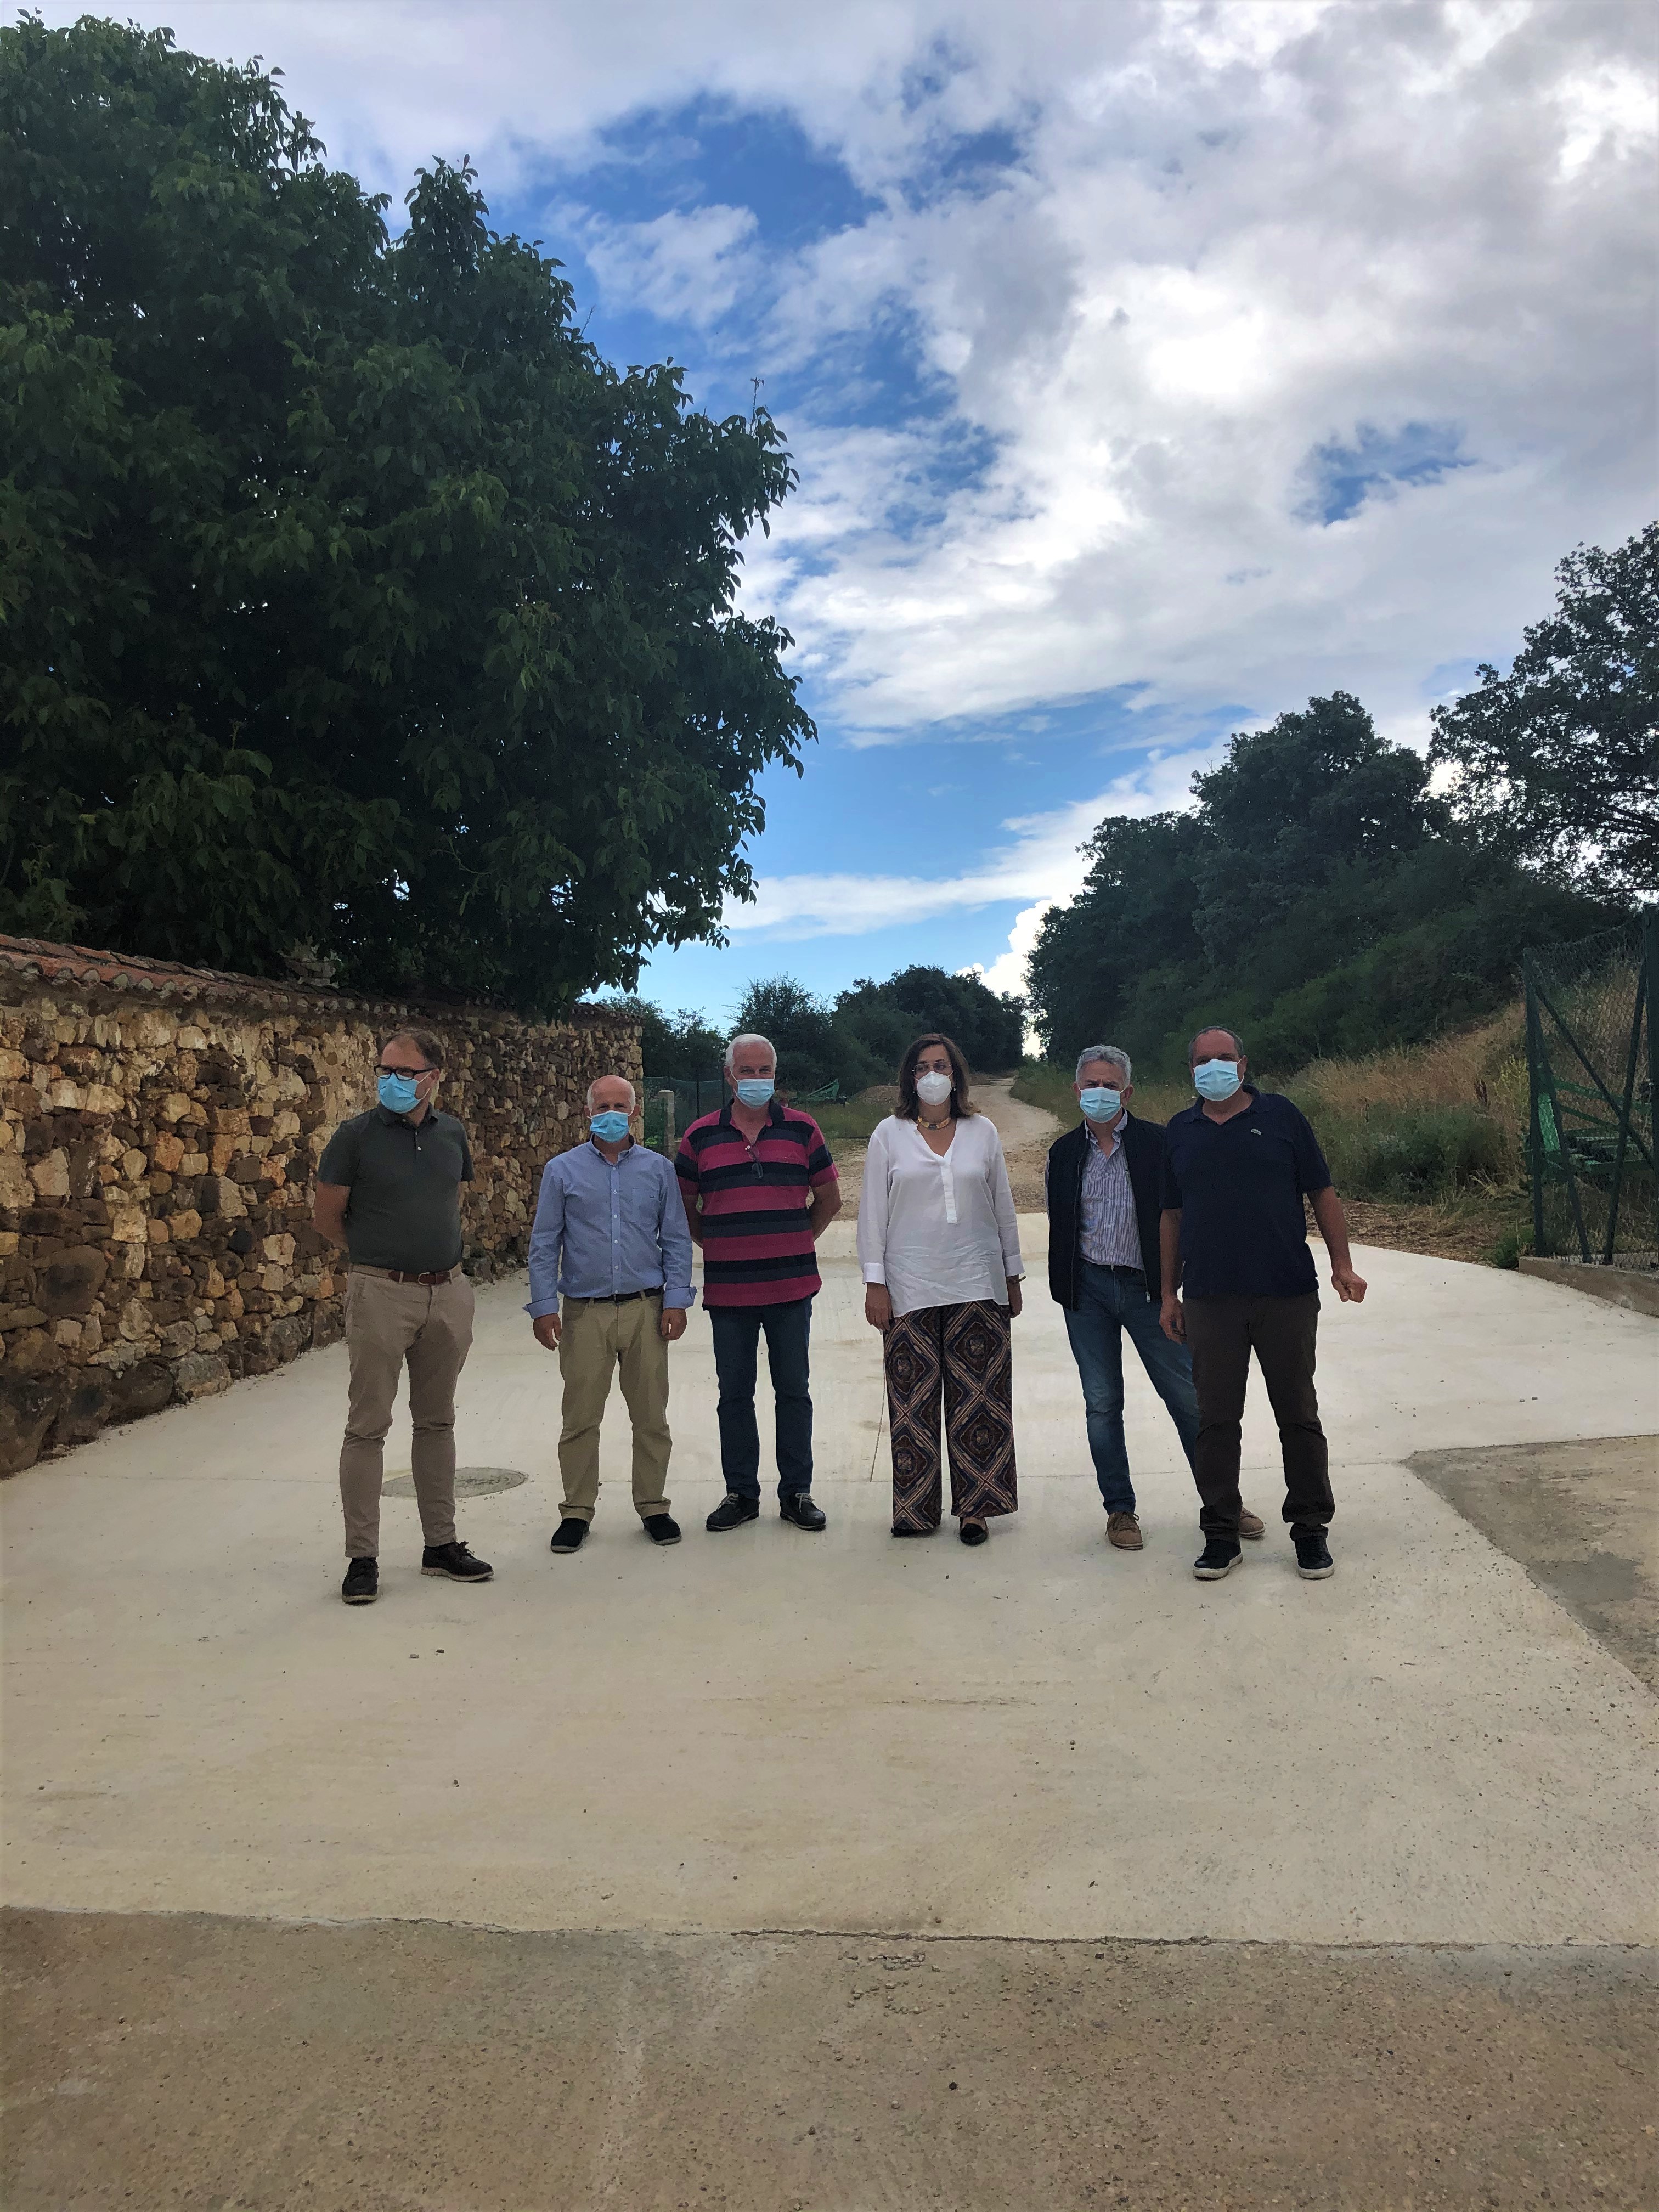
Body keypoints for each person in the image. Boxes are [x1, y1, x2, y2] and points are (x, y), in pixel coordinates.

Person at [1159, 1025, 1368, 1584]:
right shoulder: (1180, 1131)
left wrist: (1342, 1264)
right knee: (1216, 1421)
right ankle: (1220, 1534)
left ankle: (1310, 1530)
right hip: (1210, 1299)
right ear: (1191, 1070)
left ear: (1244, 1064)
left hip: (1286, 1292)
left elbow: (1321, 1191)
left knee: (1297, 1415)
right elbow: (1171, 1216)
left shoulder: (1283, 1117)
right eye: (1203, 1060)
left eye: (1224, 1057)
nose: (1215, 1067)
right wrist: (1168, 1294)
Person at [1046, 1045, 1264, 1552]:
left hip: (1147, 1291)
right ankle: (1119, 1510)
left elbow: (1180, 1216)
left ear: (1127, 1093)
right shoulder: (1064, 1152)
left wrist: (1174, 1290)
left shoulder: (1158, 1144)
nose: (1100, 1093)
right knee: (1102, 1403)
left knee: (1188, 1398)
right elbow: (1062, 1224)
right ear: (1076, 1091)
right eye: (1091, 1085)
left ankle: (1223, 1505)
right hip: (1088, 1291)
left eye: (1110, 1085)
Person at [314, 1029, 493, 1605]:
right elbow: (327, 1217)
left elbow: (449, 1201)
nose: (390, 1080)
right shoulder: (354, 1138)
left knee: (437, 1422)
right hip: (381, 1294)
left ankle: (440, 1544)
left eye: (404, 1071)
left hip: (447, 1292)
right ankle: (362, 1558)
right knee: (368, 1427)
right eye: (385, 1069)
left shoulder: (451, 1134)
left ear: (433, 1078)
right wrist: (377, 1257)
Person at [859, 1034, 1023, 1546]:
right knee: (912, 1403)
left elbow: (1002, 1205)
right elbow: (872, 1213)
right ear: (910, 1077)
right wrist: (875, 1282)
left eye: (942, 1066)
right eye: (923, 1067)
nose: (933, 1075)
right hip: (909, 1284)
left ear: (957, 1076)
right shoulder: (889, 1135)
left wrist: (1012, 1274)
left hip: (977, 1280)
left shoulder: (982, 1132)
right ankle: (915, 1510)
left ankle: (976, 1509)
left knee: (981, 1400)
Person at [676, 1034, 841, 1533]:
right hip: (730, 1293)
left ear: (775, 1073)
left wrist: (796, 1240)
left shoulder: (803, 1129)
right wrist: (720, 1246)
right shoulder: (699, 1137)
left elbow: (829, 1199)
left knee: (794, 1392)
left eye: (764, 1070)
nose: (756, 1079)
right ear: (729, 1075)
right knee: (734, 1395)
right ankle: (741, 1494)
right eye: (746, 1071)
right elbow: (684, 1208)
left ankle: (797, 1494)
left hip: (792, 1289)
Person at [527, 1075, 694, 1554]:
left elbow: (676, 1238)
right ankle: (577, 1511)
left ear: (634, 1112)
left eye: (621, 1105)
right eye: (603, 1106)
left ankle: (653, 1506)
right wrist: (544, 1306)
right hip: (585, 1313)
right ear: (588, 1112)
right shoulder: (562, 1171)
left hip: (646, 1308)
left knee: (651, 1417)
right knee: (580, 1418)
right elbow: (545, 1243)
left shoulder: (659, 1170)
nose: (612, 1113)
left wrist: (677, 1299)